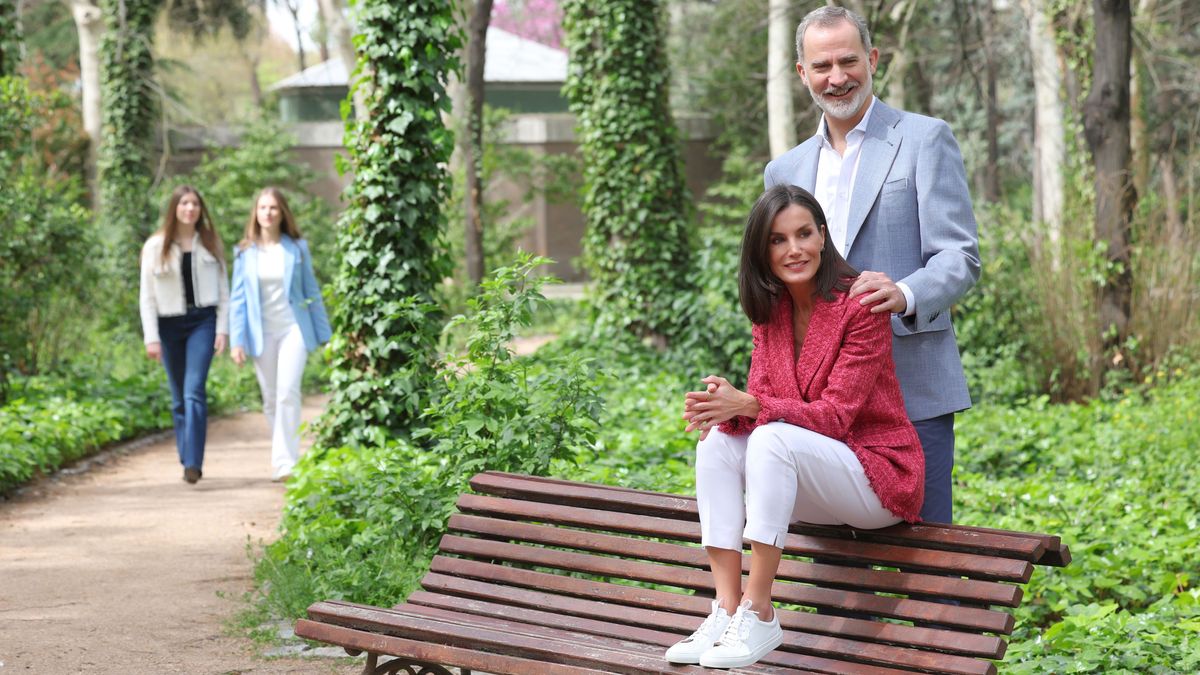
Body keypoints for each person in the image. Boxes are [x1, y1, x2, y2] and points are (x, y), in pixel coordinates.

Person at [665, 185, 924, 669]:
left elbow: (835, 416)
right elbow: (767, 403)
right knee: (717, 445)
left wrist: (751, 404)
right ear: (763, 251)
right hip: (807, 477)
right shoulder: (772, 311)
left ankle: (758, 610)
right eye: (778, 240)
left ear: (823, 237)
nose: (794, 249)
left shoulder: (859, 305)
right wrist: (727, 408)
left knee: (769, 434)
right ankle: (725, 608)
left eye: (804, 234)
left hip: (875, 477)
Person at [764, 6, 980, 524]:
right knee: (832, 559)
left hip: (911, 383)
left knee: (926, 554)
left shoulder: (924, 139)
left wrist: (905, 293)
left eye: (848, 61)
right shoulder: (785, 169)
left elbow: (960, 256)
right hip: (819, 395)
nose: (837, 78)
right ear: (802, 73)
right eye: (822, 66)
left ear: (873, 59)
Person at [229, 187, 331, 481]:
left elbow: (312, 292)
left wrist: (325, 337)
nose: (268, 213)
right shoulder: (244, 252)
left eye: (273, 208)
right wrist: (237, 340)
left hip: (293, 329)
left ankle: (286, 462)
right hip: (261, 333)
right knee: (271, 399)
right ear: (256, 213)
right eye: (263, 208)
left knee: (288, 392)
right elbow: (238, 300)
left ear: (282, 212)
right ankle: (283, 456)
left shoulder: (297, 248)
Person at [139, 185, 229, 485]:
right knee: (178, 398)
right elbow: (146, 297)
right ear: (175, 208)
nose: (190, 209)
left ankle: (193, 462)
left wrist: (222, 329)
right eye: (184, 204)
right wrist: (151, 337)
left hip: (202, 321)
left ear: (201, 210)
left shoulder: (210, 242)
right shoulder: (155, 246)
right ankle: (186, 454)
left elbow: (224, 292)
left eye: (195, 204)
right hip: (168, 324)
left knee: (194, 391)